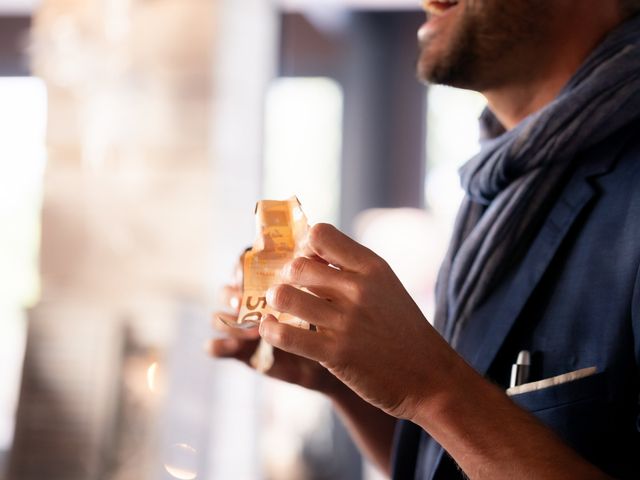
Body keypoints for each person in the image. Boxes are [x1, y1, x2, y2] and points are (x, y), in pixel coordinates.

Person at [208, 1, 640, 478]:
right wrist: (339, 377)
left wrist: (433, 387)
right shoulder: (496, 191)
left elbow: (446, 402)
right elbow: (452, 462)